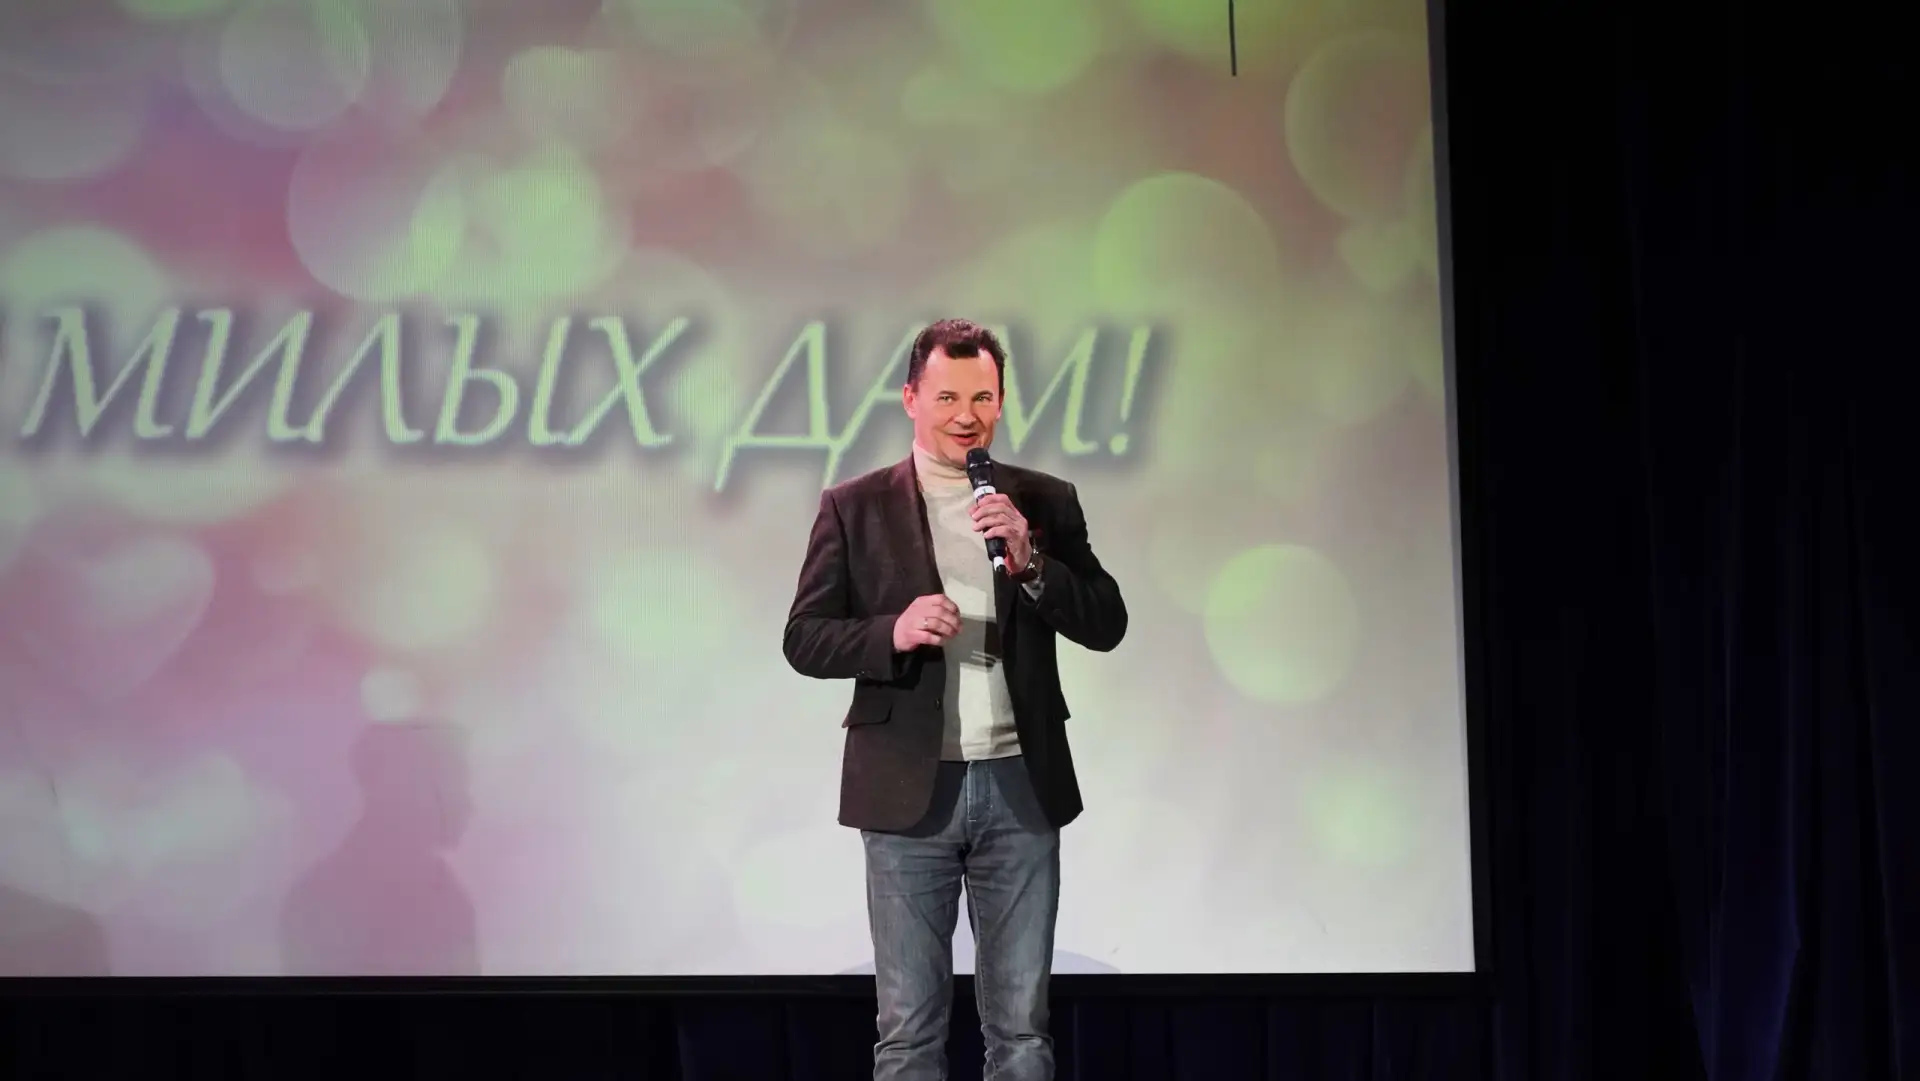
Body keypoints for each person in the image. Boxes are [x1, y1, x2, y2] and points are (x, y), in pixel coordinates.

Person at [783, 319, 1128, 1080]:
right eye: (947, 397)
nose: (966, 415)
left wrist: (1033, 563)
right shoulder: (853, 506)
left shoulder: (1042, 500)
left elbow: (1107, 622)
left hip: (1020, 783)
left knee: (1023, 1034)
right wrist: (892, 630)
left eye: (983, 398)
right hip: (908, 791)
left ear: (1000, 402)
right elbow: (804, 637)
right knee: (908, 1034)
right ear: (911, 398)